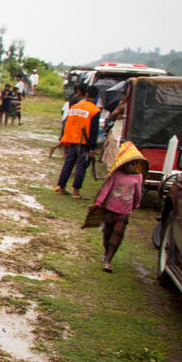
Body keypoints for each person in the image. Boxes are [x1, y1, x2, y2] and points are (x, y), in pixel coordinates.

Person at [93, 142, 147, 272]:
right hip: (110, 208)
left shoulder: (138, 176)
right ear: (123, 163)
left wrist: (136, 204)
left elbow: (138, 192)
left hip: (125, 211)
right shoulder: (116, 174)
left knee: (118, 235)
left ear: (137, 165)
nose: (131, 166)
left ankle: (108, 260)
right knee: (107, 233)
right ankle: (106, 252)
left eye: (134, 164)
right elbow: (107, 188)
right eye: (129, 163)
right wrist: (98, 203)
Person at [54, 85, 101, 198]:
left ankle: (61, 187)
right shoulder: (95, 110)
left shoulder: (75, 107)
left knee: (68, 164)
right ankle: (76, 192)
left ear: (87, 94)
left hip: (72, 141)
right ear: (96, 97)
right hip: (84, 143)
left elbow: (68, 124)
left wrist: (65, 139)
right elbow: (94, 131)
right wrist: (92, 148)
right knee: (81, 166)